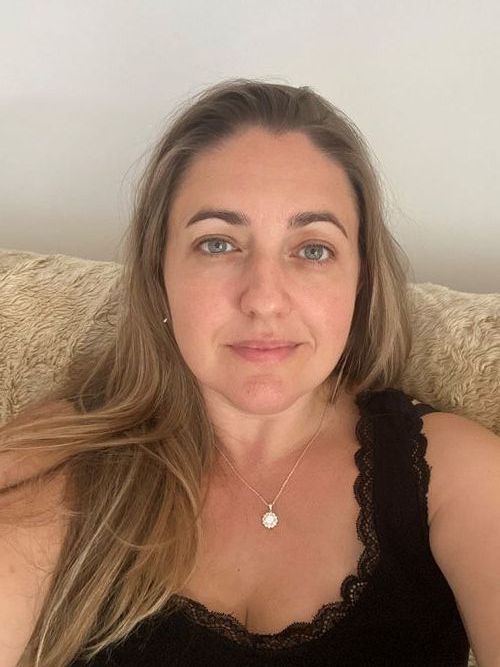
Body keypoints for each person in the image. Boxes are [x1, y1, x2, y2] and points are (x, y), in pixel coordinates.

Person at [0, 79, 499, 667]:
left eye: (313, 249)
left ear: (361, 280)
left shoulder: (455, 476)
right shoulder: (59, 459)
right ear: (159, 272)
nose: (263, 299)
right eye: (218, 244)